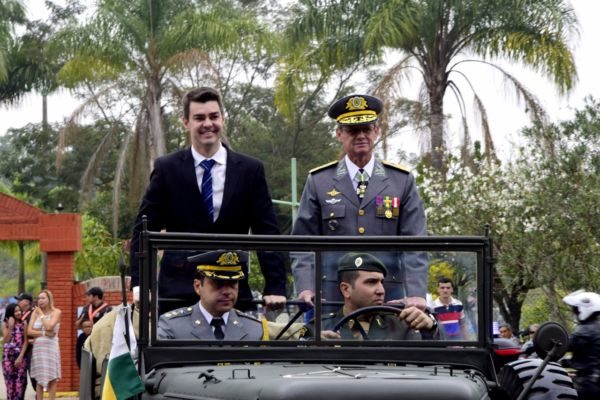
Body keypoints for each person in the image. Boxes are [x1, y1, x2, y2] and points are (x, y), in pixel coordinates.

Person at [129, 86, 286, 313]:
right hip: (178, 292)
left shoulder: (250, 170)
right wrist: (140, 284)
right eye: (199, 118)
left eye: (214, 116)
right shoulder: (167, 168)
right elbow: (143, 230)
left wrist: (275, 286)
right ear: (186, 122)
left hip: (233, 289)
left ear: (223, 118)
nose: (207, 124)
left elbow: (267, 232)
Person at [292, 94, 428, 309]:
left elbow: (416, 243)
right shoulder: (319, 181)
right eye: (353, 130)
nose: (361, 136)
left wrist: (417, 293)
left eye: (367, 128)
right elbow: (302, 242)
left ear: (377, 131)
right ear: (339, 134)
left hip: (387, 293)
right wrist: (306, 287)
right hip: (335, 293)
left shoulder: (401, 181)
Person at [300, 252, 437, 340]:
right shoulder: (319, 328)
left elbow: (432, 359)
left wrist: (431, 327)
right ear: (346, 289)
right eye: (371, 282)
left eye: (381, 282)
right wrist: (315, 348)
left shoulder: (400, 326)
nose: (381, 290)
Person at [158, 250, 267, 340]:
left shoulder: (255, 329)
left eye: (233, 283)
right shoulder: (172, 327)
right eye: (218, 283)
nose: (227, 291)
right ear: (197, 286)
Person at [561, 290, 600, 400]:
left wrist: (538, 345)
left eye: (576, 310)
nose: (575, 313)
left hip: (589, 384)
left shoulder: (584, 331)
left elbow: (562, 346)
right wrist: (564, 362)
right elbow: (590, 357)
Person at [27, 290, 61, 400]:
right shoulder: (34, 313)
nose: (40, 300)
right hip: (39, 349)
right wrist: (44, 333)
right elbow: (29, 331)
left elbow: (50, 326)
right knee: (39, 378)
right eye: (39, 298)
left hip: (51, 348)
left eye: (43, 298)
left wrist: (41, 315)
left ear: (49, 299)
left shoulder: (56, 312)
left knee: (52, 378)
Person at [2, 303, 28, 400]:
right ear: (10, 312)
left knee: (19, 386)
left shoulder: (24, 323)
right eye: (15, 311)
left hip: (20, 357)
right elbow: (6, 340)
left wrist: (20, 357)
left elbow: (25, 342)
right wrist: (11, 326)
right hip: (7, 358)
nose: (18, 313)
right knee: (10, 386)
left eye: (19, 310)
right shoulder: (5, 323)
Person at [14, 293, 35, 392]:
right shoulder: (20, 314)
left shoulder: (33, 314)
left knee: (34, 377)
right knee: (21, 380)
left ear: (27, 302)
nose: (17, 302)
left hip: (31, 351)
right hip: (22, 351)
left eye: (20, 300)